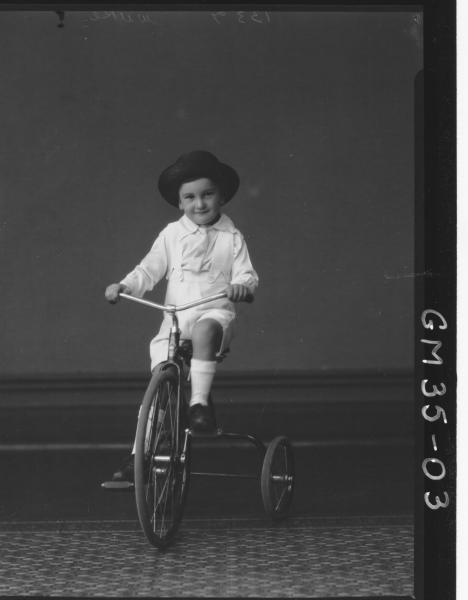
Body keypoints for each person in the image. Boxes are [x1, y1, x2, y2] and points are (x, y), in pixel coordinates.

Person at [105, 150, 259, 482]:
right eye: (190, 197)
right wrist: (124, 285)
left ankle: (199, 406)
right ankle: (138, 455)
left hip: (214, 314)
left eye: (207, 195)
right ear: (179, 203)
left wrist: (240, 287)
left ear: (221, 196)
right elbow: (149, 269)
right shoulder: (172, 235)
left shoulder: (232, 238)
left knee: (204, 331)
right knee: (159, 386)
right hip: (175, 321)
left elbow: (247, 275)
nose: (200, 204)